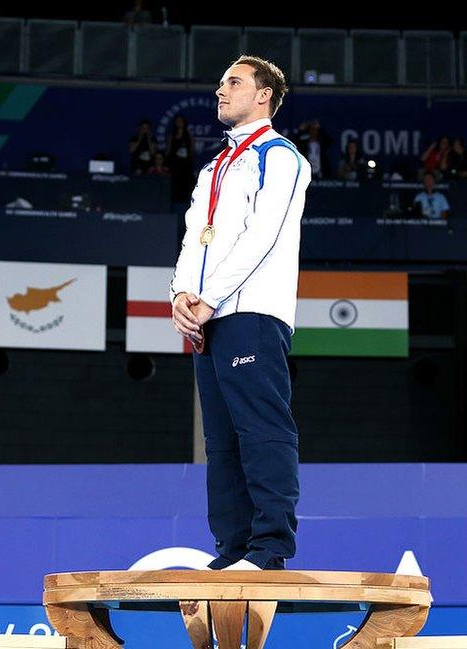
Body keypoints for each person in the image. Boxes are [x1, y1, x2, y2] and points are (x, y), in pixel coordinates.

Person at [169, 55, 311, 571]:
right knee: (222, 441)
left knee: (261, 428)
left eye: (234, 82)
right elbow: (193, 237)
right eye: (221, 81)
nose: (220, 90)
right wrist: (181, 296)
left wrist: (212, 298)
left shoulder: (282, 157)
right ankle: (233, 550)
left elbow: (262, 235)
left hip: (251, 311)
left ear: (264, 95)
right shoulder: (214, 167)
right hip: (209, 317)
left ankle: (270, 547)